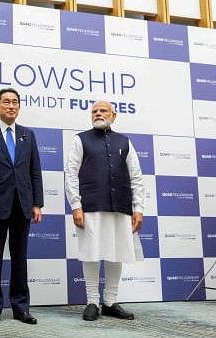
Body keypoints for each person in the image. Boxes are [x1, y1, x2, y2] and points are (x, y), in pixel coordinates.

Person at [64, 100, 144, 321]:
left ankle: (110, 301)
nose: (98, 114)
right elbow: (71, 173)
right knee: (91, 253)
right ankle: (92, 301)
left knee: (116, 251)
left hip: (121, 206)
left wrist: (139, 208)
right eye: (94, 111)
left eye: (103, 111)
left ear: (113, 115)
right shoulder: (80, 139)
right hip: (90, 206)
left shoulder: (124, 142)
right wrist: (76, 205)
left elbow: (136, 176)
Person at [0, 88, 44, 326]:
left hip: (23, 205)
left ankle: (20, 308)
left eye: (15, 102)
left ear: (19, 107)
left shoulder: (28, 135)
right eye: (6, 102)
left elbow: (35, 171)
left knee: (19, 259)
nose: (11, 106)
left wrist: (37, 203)